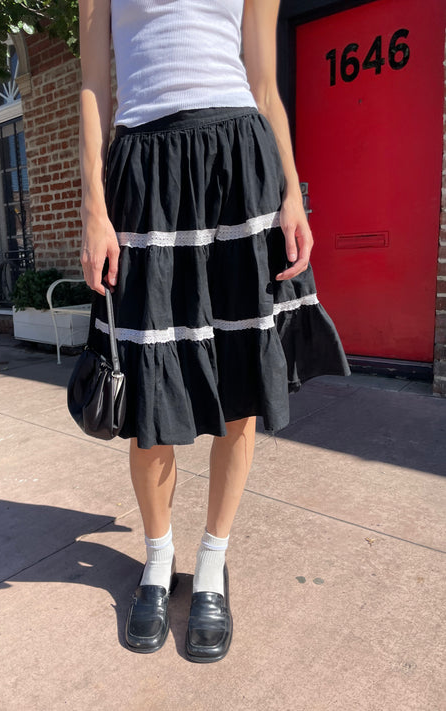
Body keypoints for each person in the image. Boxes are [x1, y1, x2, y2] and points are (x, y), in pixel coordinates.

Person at [77, 0, 350, 663]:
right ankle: (157, 557)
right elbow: (93, 85)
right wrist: (92, 205)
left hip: (237, 162)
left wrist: (292, 193)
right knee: (145, 389)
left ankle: (210, 562)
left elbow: (262, 84)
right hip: (143, 171)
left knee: (240, 382)